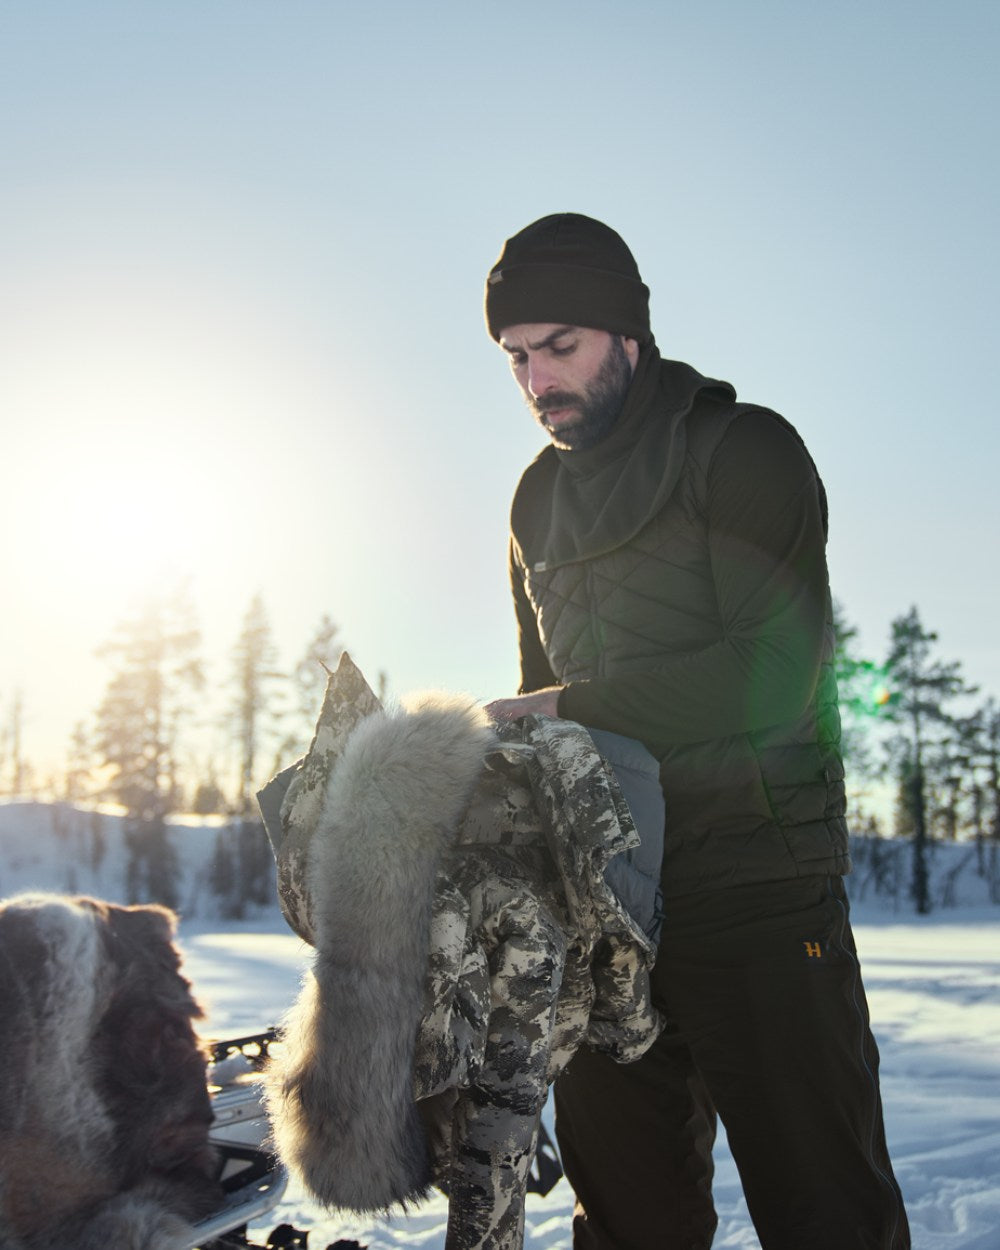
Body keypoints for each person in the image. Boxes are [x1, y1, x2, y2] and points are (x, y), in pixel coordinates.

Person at [483, 213, 909, 1250]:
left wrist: (573, 709)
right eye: (516, 356)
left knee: (825, 1213)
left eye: (561, 346)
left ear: (627, 332)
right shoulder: (535, 500)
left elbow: (772, 676)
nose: (539, 380)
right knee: (628, 1223)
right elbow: (548, 706)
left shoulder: (744, 448)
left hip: (758, 893)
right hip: (607, 911)